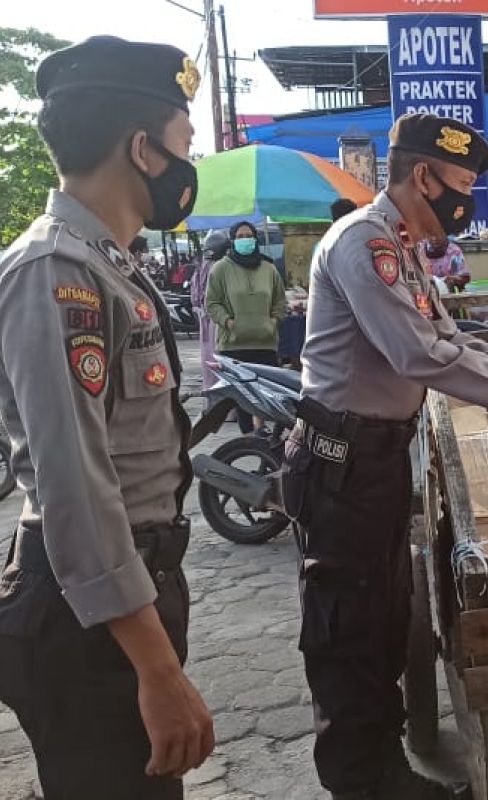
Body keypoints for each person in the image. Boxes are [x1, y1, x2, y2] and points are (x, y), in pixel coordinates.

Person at [285, 112, 488, 800]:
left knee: (387, 616)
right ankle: (362, 780)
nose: (466, 203)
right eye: (461, 185)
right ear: (422, 177)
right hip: (341, 464)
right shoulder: (364, 244)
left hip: (373, 461)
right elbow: (417, 355)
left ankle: (385, 766)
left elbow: (452, 340)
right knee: (350, 631)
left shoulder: (401, 249)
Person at [0, 36, 214, 798]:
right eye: (185, 144)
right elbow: (77, 488)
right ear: (143, 150)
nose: (192, 164)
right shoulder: (56, 272)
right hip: (84, 617)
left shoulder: (107, 263)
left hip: (129, 590)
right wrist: (155, 670)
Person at [205, 220, 287, 435]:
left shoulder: (268, 268)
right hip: (234, 344)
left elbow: (280, 300)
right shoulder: (221, 268)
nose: (245, 240)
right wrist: (228, 321)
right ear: (232, 240)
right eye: (240, 236)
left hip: (265, 342)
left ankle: (261, 431)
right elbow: (212, 303)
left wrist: (274, 322)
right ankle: (248, 436)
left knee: (265, 391)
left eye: (248, 235)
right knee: (242, 394)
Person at [192, 230, 228, 406]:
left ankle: (214, 405)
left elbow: (195, 297)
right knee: (221, 361)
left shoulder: (201, 267)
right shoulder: (221, 268)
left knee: (209, 361)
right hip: (219, 320)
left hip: (204, 321)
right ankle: (227, 408)